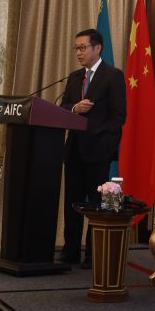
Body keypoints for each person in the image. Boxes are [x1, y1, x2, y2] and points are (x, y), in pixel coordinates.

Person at [59, 28, 126, 267]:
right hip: (74, 148)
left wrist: (103, 139)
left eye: (83, 48)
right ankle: (70, 250)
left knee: (95, 204)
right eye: (76, 48)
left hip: (98, 150)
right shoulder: (74, 77)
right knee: (73, 202)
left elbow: (119, 116)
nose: (79, 52)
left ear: (97, 48)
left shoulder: (112, 76)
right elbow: (63, 107)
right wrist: (74, 108)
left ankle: (92, 253)